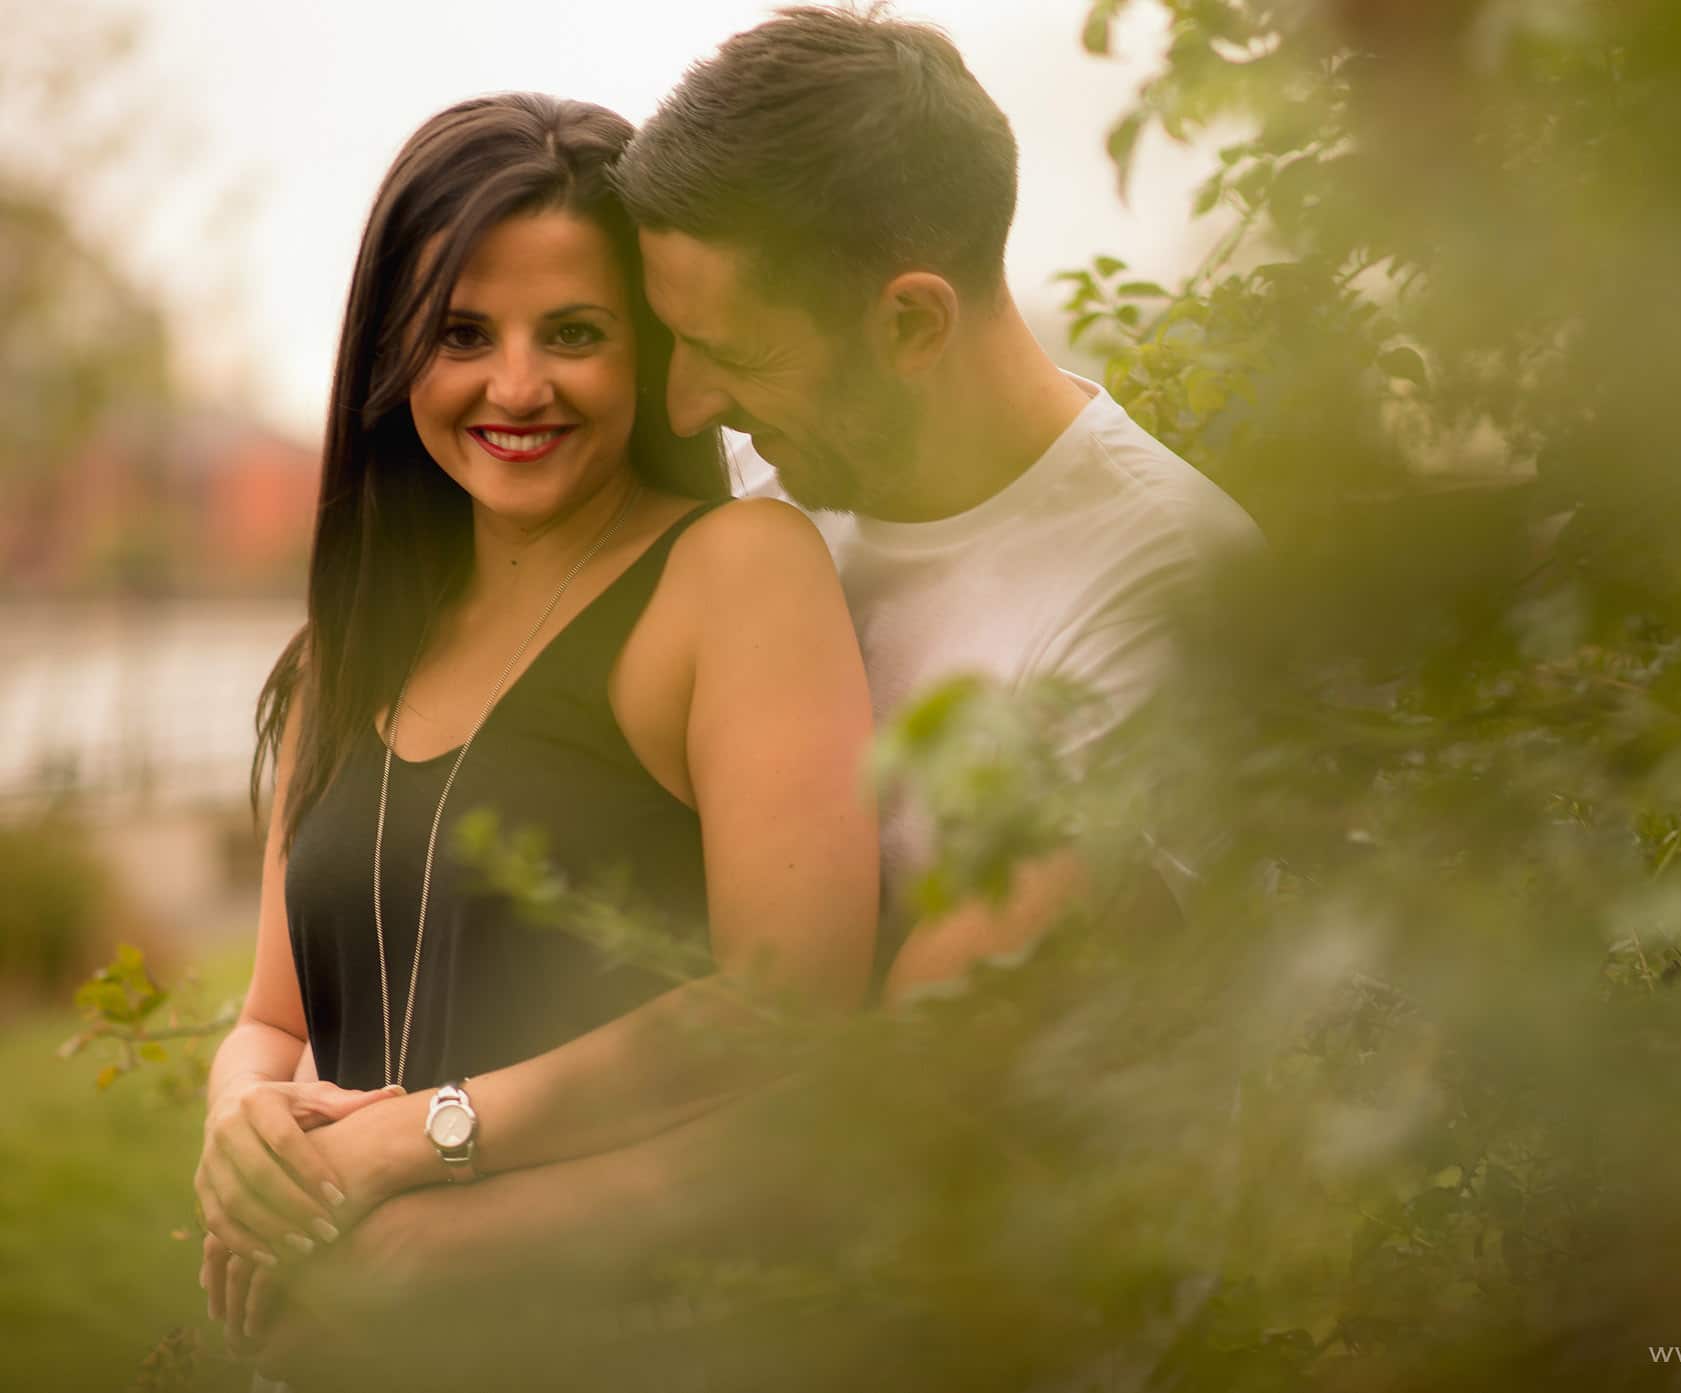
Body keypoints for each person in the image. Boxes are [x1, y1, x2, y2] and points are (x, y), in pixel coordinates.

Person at [192, 91, 879, 1368]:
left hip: (640, 1336)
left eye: (573, 332)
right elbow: (275, 1019)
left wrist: (429, 1135)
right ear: (396, 358)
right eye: (462, 333)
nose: (517, 386)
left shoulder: (736, 574)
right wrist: (241, 1118)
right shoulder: (357, 637)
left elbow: (795, 997)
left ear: (656, 351)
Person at [613, 5, 1265, 998]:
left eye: (733, 355)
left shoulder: (1171, 585)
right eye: (677, 343)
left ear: (912, 323)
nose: (688, 404)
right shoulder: (757, 488)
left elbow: (927, 1062)